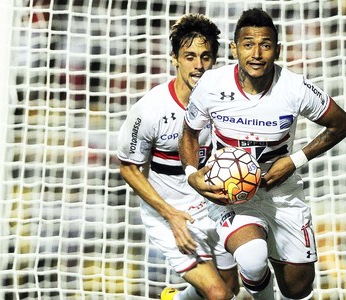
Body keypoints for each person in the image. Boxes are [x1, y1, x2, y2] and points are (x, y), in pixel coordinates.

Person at [179, 8, 346, 300]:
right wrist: (190, 174)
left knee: (297, 289)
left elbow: (342, 123)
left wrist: (295, 160)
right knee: (252, 255)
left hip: (282, 193)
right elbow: (189, 133)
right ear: (235, 48)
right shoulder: (211, 85)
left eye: (265, 45)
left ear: (277, 49)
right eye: (248, 44)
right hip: (232, 194)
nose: (257, 53)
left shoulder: (295, 88)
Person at [117, 13, 239, 300]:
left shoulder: (223, 103)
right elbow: (128, 168)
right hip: (169, 212)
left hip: (211, 205)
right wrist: (171, 215)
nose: (198, 65)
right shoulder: (150, 109)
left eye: (206, 57)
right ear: (174, 58)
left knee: (231, 289)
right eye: (190, 56)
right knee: (218, 295)